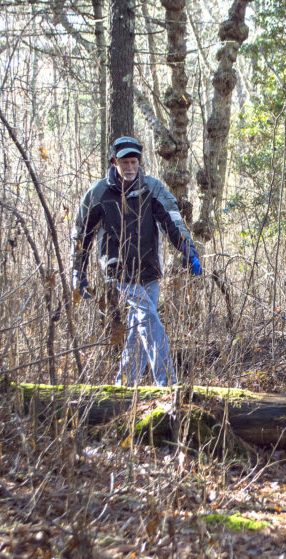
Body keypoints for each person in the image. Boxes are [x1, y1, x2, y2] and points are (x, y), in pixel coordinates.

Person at [70, 136, 203, 386]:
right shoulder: (99, 193)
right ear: (114, 162)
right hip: (118, 271)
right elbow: (81, 234)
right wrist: (78, 272)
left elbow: (172, 221)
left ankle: (124, 388)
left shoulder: (152, 188)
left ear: (139, 162)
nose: (130, 167)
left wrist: (188, 251)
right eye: (124, 162)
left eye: (134, 162)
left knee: (138, 328)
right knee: (148, 318)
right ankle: (169, 384)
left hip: (149, 270)